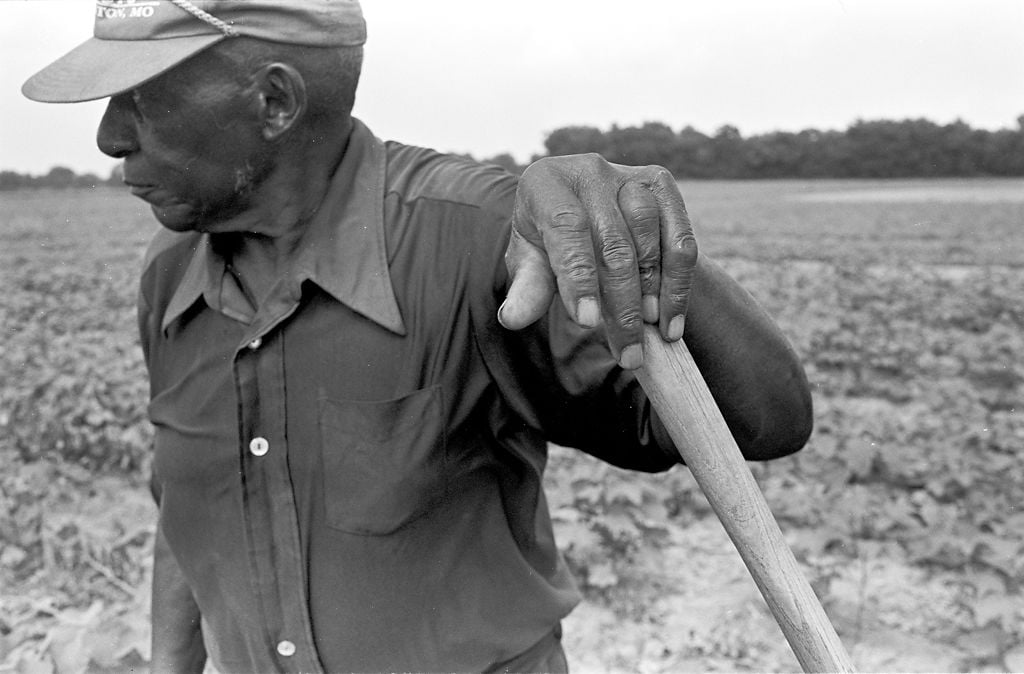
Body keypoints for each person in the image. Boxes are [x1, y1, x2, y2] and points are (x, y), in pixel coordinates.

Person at [24, 1, 813, 672]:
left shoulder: (480, 244)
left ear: (274, 102)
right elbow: (187, 509)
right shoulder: (169, 277)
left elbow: (766, 423)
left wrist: (644, 246)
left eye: (143, 101)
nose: (110, 137)